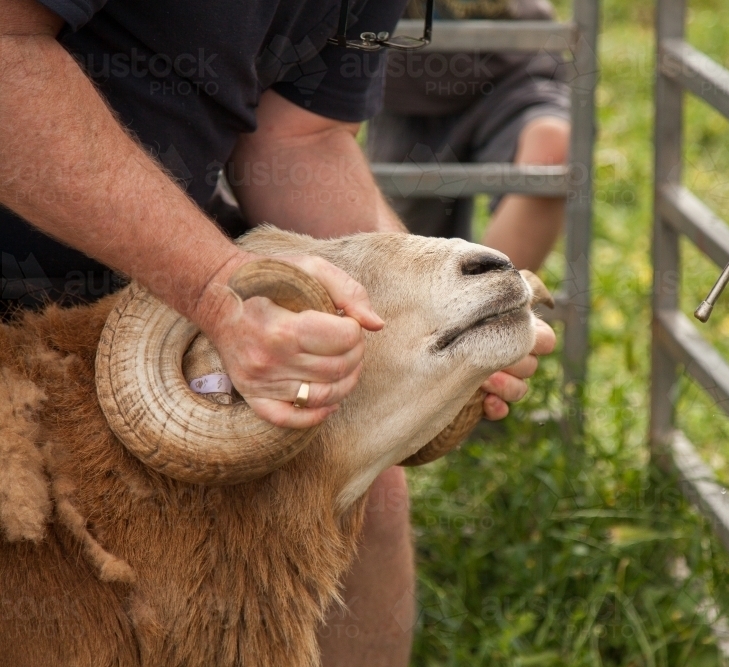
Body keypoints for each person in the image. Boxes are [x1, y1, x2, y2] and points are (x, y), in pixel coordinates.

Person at [0, 0, 555, 665]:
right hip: (90, 271)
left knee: (363, 491)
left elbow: (303, 137)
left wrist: (448, 321)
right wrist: (214, 285)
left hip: (147, 284)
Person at [366, 0, 571, 271]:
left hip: (516, 60)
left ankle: (494, 308)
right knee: (407, 255)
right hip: (404, 85)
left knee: (548, 155)